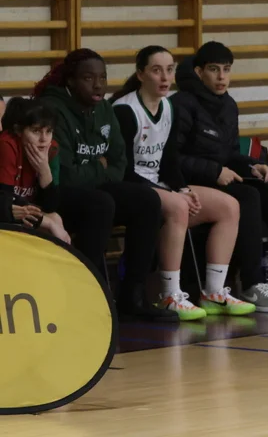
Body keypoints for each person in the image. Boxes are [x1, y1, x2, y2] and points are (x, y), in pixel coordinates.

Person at [174, 41, 268, 312]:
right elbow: (173, 158)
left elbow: (229, 153)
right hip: (191, 181)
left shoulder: (228, 105)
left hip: (221, 177)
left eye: (226, 70)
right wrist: (214, 171)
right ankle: (253, 283)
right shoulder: (181, 103)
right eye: (214, 70)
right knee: (249, 196)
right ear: (199, 72)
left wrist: (253, 165)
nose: (221, 77)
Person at [111, 46, 256, 320]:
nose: (165, 77)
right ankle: (170, 295)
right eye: (156, 70)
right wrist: (173, 195)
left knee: (229, 206)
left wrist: (183, 188)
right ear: (141, 74)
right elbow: (122, 171)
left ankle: (214, 292)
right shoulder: (125, 111)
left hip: (159, 185)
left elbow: (169, 160)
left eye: (170, 70)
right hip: (131, 187)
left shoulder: (168, 106)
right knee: (178, 207)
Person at [35, 49, 176, 322]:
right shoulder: (53, 109)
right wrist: (99, 166)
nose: (98, 85)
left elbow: (119, 163)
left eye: (102, 77)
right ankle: (91, 292)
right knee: (100, 204)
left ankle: (133, 296)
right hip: (55, 193)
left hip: (94, 188)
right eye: (88, 78)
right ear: (71, 81)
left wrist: (95, 169)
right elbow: (65, 174)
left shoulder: (104, 109)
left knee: (147, 200)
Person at [0, 98, 69, 243]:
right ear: (19, 131)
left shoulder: (52, 149)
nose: (43, 139)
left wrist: (44, 171)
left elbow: (51, 206)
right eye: (36, 131)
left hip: (26, 209)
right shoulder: (7, 145)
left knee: (56, 218)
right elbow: (5, 201)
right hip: (8, 213)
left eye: (49, 131)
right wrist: (46, 222)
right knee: (52, 224)